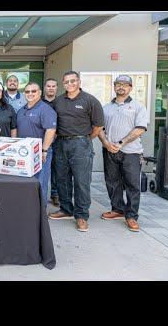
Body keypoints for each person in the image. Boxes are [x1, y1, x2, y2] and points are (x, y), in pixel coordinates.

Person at [48, 71, 104, 232]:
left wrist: (84, 139)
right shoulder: (58, 101)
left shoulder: (90, 100)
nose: (70, 84)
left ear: (79, 82)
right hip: (61, 143)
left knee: (81, 181)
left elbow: (98, 126)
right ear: (63, 84)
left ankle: (81, 215)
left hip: (81, 143)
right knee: (62, 179)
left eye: (73, 81)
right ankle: (66, 209)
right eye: (66, 82)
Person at [98, 75, 148, 232]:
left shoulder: (138, 107)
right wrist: (106, 143)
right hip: (110, 150)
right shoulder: (106, 108)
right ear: (114, 86)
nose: (121, 87)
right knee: (112, 181)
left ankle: (131, 216)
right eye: (118, 84)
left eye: (125, 85)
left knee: (132, 184)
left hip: (131, 152)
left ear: (131, 87)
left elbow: (140, 129)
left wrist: (121, 143)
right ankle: (117, 209)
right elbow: (99, 128)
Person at [16, 82, 57, 204]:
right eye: (27, 91)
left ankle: (41, 213)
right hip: (24, 152)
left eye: (33, 91)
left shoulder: (45, 109)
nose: (30, 94)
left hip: (40, 152)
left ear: (39, 93)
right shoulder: (21, 110)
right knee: (25, 183)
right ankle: (28, 209)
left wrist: (44, 150)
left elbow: (51, 130)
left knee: (40, 183)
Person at [42, 78, 60, 207]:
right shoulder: (39, 102)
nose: (51, 88)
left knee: (57, 169)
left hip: (58, 141)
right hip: (43, 141)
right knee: (43, 172)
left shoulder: (61, 102)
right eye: (48, 86)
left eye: (53, 86)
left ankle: (55, 194)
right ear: (45, 88)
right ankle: (43, 196)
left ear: (57, 88)